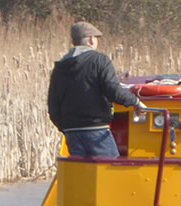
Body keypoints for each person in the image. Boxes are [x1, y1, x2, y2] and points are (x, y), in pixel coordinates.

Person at [47, 22, 145, 157]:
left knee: (83, 175)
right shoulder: (100, 60)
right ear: (92, 39)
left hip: (72, 134)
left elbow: (53, 106)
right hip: (97, 131)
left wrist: (66, 128)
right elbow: (113, 91)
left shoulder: (60, 67)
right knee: (110, 172)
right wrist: (135, 101)